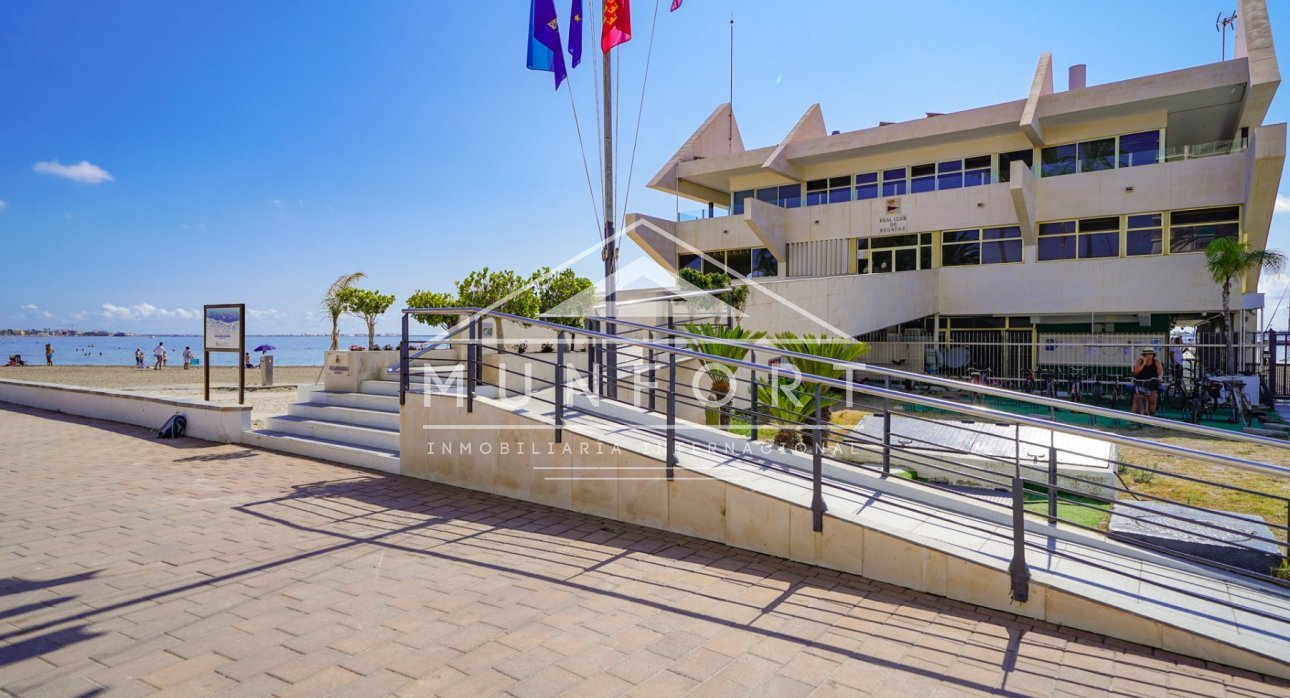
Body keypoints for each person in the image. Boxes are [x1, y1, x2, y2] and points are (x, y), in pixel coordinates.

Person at [1132, 347, 1164, 417]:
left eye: (1151, 354)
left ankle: (1152, 417)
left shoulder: (1156, 362)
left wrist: (1160, 377)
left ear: (1153, 355)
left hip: (1152, 382)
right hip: (1140, 382)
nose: (1149, 355)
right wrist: (1144, 363)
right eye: (1147, 354)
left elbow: (1160, 371)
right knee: (1136, 400)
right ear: (1144, 355)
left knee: (1152, 401)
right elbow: (1136, 372)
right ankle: (1131, 420)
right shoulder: (1139, 361)